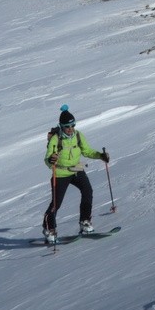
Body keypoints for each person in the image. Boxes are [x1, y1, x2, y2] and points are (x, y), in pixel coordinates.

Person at [42, 104, 110, 243]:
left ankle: (85, 222)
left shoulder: (78, 135)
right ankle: (49, 228)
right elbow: (47, 159)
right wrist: (51, 160)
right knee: (56, 203)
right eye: (67, 126)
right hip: (60, 173)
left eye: (73, 125)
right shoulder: (56, 139)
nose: (70, 129)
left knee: (87, 191)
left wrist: (100, 156)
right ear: (61, 126)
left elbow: (87, 151)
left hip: (76, 169)